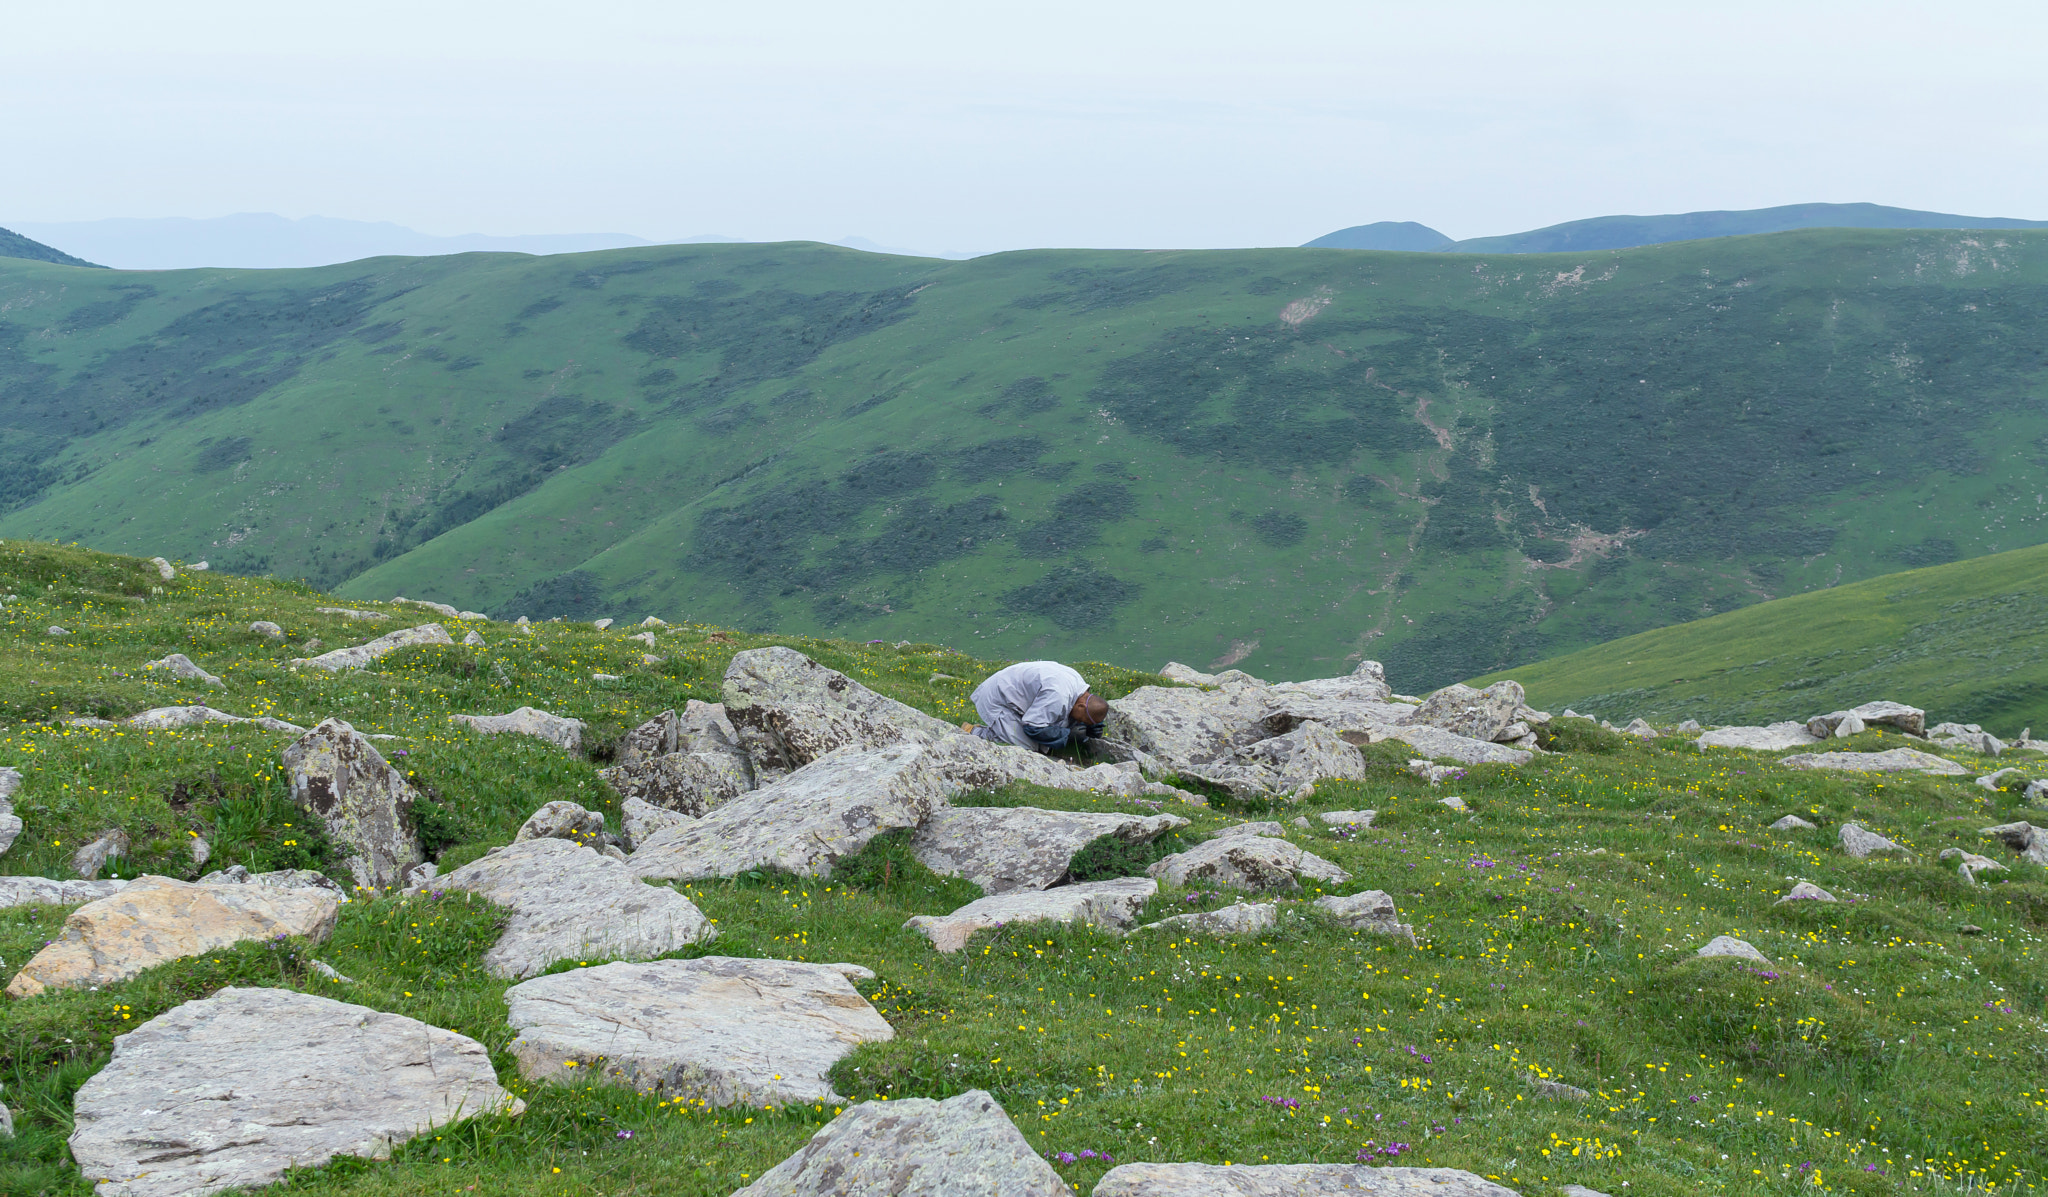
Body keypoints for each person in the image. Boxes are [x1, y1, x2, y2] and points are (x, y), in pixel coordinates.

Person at [964, 660, 1110, 754]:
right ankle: (975, 732)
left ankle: (1002, 729)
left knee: (1046, 743)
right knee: (1027, 748)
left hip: (1016, 699)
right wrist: (1068, 735)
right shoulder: (1058, 695)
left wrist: (1090, 727)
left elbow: (1060, 716)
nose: (1082, 723)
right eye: (1084, 720)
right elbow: (1033, 726)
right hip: (996, 700)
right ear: (1081, 706)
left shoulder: (1079, 688)